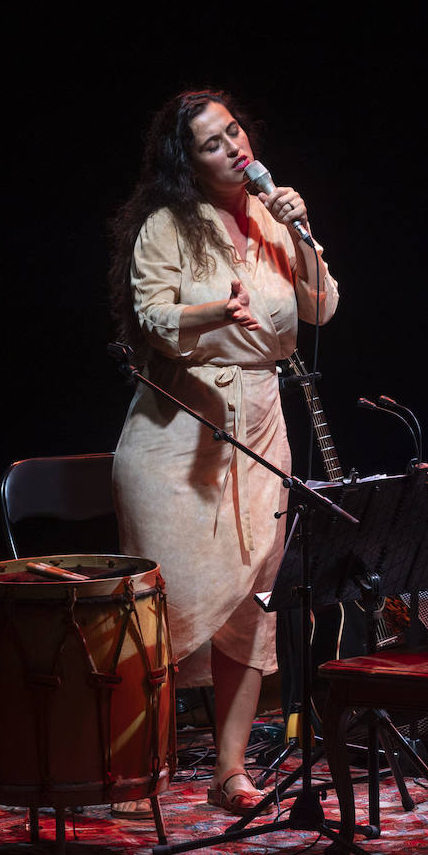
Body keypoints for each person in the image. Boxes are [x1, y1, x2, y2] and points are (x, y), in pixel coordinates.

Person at [108, 89, 339, 817]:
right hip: (179, 430)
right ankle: (134, 763)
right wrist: (216, 310)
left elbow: (321, 307)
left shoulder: (275, 217)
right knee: (162, 607)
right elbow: (150, 317)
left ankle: (229, 771)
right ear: (188, 161)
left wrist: (303, 234)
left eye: (234, 131)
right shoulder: (166, 226)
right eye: (212, 142)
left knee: (253, 602)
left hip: (263, 425)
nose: (234, 147)